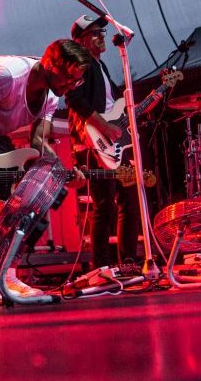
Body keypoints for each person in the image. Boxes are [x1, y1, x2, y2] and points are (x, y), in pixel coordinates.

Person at [0, 39, 91, 296]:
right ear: (48, 64)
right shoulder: (7, 75)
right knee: (16, 197)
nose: (70, 85)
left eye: (76, 81)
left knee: (49, 196)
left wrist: (61, 173)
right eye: (67, 77)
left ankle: (5, 274)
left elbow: (38, 144)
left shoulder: (51, 98)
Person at [65, 15, 141, 269]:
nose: (101, 37)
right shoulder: (81, 63)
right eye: (95, 33)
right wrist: (104, 126)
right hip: (94, 143)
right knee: (104, 205)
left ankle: (128, 262)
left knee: (129, 202)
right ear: (81, 41)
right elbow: (74, 99)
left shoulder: (101, 66)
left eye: (102, 33)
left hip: (114, 142)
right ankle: (101, 266)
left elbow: (113, 105)